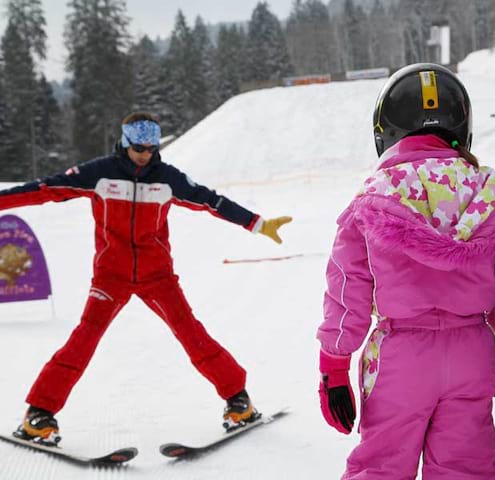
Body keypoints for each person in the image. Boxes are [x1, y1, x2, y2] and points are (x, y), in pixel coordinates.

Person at [0, 112, 292, 445]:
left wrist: (256, 223)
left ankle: (238, 401)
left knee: (191, 334)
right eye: (139, 148)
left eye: (151, 148)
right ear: (125, 143)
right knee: (84, 339)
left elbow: (211, 201)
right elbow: (44, 189)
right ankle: (39, 413)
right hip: (111, 276)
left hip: (158, 277)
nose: (145, 154)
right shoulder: (99, 173)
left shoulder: (167, 178)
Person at [316, 63, 495, 480]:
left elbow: (348, 290)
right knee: (465, 468)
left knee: (381, 465)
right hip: (471, 354)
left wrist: (334, 365)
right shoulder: (487, 194)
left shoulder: (373, 197)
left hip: (400, 357)